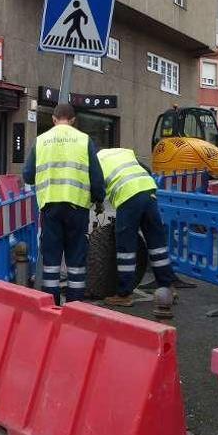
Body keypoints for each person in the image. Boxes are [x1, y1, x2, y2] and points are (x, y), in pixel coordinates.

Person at [23, 103, 105, 305]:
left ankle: (52, 305)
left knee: (51, 260)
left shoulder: (40, 141)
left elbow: (27, 175)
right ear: (73, 119)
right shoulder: (84, 140)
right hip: (77, 207)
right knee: (76, 259)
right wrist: (99, 199)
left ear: (53, 119)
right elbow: (96, 177)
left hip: (50, 206)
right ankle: (75, 306)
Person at [97, 148, 178, 310]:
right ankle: (167, 287)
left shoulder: (96, 161)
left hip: (128, 196)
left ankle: (124, 294)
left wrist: (98, 203)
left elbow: (96, 187)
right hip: (149, 191)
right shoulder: (123, 152)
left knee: (125, 246)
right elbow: (146, 169)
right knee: (157, 243)